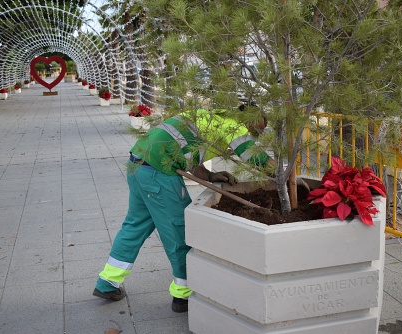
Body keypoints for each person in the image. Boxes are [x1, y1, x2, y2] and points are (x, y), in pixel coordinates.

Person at [93, 107, 273, 313]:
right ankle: (183, 294)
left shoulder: (206, 115)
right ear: (248, 118)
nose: (255, 135)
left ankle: (107, 282)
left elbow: (188, 158)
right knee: (180, 230)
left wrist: (210, 176)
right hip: (159, 174)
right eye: (257, 129)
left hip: (138, 166)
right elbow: (254, 157)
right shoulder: (231, 125)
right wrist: (286, 176)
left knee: (135, 225)